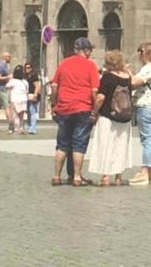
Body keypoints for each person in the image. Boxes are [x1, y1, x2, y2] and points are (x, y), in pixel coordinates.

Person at [50, 37, 99, 187]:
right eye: (90, 50)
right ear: (86, 50)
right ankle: (77, 177)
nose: (90, 53)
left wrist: (54, 104)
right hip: (83, 108)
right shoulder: (90, 65)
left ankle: (56, 176)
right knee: (79, 144)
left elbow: (54, 86)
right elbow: (94, 91)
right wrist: (95, 111)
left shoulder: (64, 63)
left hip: (64, 108)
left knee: (62, 144)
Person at [88, 50, 132, 187]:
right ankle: (118, 176)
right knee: (120, 147)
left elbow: (101, 97)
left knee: (106, 145)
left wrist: (94, 112)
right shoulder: (127, 77)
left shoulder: (107, 77)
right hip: (124, 117)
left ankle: (106, 176)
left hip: (108, 117)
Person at [129, 41, 151, 186]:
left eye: (140, 51)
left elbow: (134, 82)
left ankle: (144, 172)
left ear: (147, 53)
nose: (139, 54)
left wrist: (126, 72)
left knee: (147, 139)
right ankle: (150, 172)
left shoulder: (149, 68)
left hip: (146, 105)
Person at [0, 52, 14, 132]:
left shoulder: (6, 66)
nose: (10, 58)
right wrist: (8, 77)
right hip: (1, 88)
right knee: (7, 106)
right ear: (4, 57)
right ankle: (11, 125)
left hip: (4, 88)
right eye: (8, 56)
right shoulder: (1, 66)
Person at [7, 65, 28, 134]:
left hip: (15, 99)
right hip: (24, 99)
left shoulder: (13, 81)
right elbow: (27, 90)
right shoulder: (25, 81)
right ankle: (21, 129)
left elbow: (6, 86)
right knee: (21, 116)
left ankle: (16, 129)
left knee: (16, 116)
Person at [24, 61, 40, 134]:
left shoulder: (34, 76)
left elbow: (37, 86)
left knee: (32, 111)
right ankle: (29, 126)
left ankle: (32, 128)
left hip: (33, 95)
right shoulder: (25, 76)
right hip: (27, 95)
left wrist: (35, 94)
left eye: (28, 68)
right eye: (26, 68)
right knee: (28, 112)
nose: (27, 69)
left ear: (31, 68)